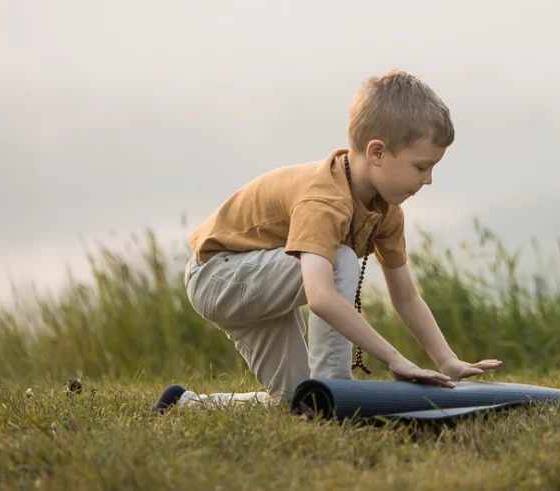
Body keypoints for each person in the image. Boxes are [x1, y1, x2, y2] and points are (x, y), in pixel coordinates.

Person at [151, 70, 501, 413]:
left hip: (261, 277)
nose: (428, 180)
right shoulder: (324, 200)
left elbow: (405, 296)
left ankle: (183, 404)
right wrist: (394, 358)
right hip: (218, 276)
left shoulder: (386, 209)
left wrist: (447, 361)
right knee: (342, 259)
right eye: (421, 167)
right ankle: (336, 388)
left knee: (298, 401)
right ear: (377, 153)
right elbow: (320, 296)